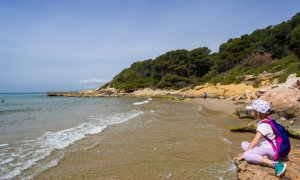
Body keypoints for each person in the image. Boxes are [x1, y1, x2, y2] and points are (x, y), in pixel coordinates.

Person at [234, 99, 287, 177]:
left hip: (271, 151)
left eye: (252, 110)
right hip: (266, 148)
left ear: (257, 112)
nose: (251, 112)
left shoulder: (263, 125)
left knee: (247, 156)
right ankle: (262, 156)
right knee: (244, 143)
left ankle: (277, 164)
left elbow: (255, 142)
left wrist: (243, 155)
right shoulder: (268, 120)